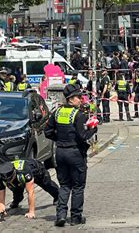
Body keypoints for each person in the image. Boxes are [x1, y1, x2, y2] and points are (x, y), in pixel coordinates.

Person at [44, 84, 98, 226]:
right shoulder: (78, 115)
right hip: (75, 153)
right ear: (70, 99)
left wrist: (60, 140)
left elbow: (48, 132)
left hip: (60, 152)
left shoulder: (56, 112)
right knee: (78, 186)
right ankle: (75, 217)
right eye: (78, 97)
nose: (81, 99)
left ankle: (61, 216)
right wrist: (93, 129)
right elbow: (82, 136)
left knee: (64, 185)